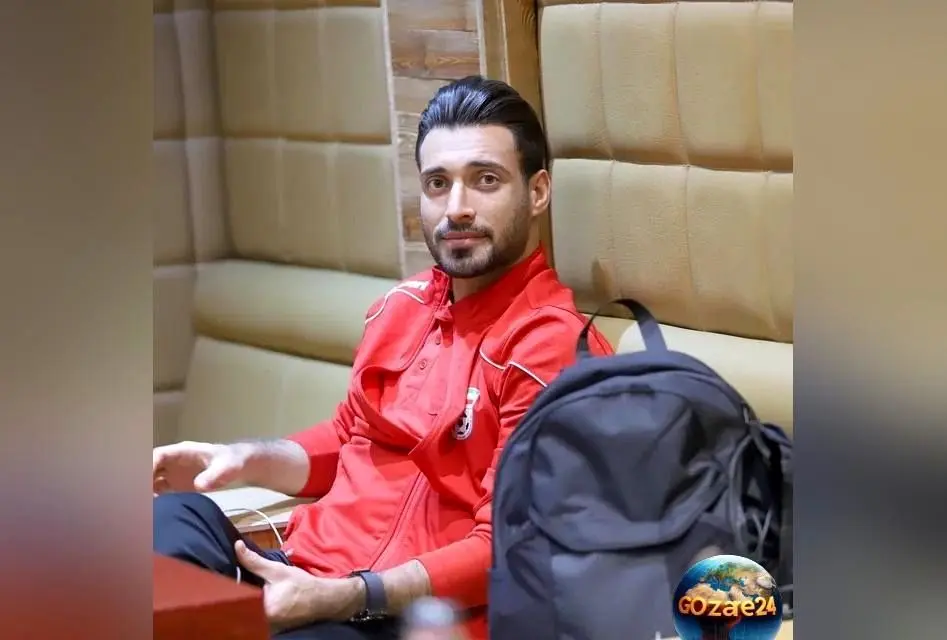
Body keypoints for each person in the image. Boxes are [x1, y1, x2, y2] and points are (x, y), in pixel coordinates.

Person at [152, 75, 613, 640]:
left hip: (403, 617)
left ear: (538, 192)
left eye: (485, 180)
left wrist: (350, 595)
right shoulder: (402, 308)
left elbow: (510, 544)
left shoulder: (552, 349)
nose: (457, 208)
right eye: (438, 183)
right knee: (167, 521)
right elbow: (349, 438)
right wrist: (241, 459)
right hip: (304, 573)